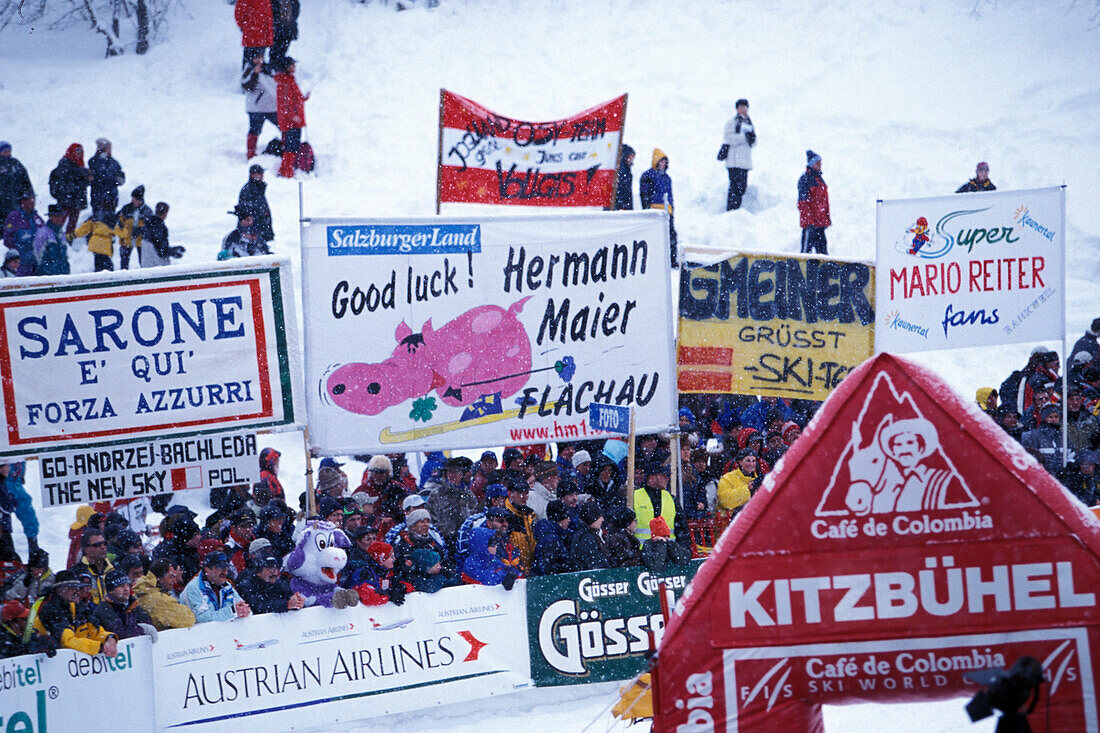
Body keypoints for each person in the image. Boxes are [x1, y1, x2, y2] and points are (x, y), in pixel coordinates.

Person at [33, 569, 118, 656]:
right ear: (60, 590)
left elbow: (96, 632)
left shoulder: (80, 608)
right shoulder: (51, 610)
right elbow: (67, 642)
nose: (77, 591)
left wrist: (109, 638)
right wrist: (100, 647)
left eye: (78, 588)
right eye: (73, 588)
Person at [182, 552, 251, 623]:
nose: (225, 572)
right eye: (220, 568)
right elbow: (201, 617)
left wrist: (244, 611)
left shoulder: (227, 586)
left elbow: (242, 607)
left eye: (226, 568)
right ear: (207, 570)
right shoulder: (193, 588)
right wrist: (232, 611)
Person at [460, 508, 521, 588]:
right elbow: (490, 581)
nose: (495, 546)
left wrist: (513, 574)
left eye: (507, 521)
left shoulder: (492, 560)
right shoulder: (471, 564)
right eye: (492, 544)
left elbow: (509, 570)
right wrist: (505, 578)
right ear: (483, 545)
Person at [639, 148, 677, 267]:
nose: (663, 164)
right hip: (655, 211)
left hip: (667, 211)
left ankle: (671, 259)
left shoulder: (667, 178)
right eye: (661, 161)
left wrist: (672, 210)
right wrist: (647, 209)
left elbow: (670, 196)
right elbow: (644, 193)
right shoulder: (648, 175)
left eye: (664, 162)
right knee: (655, 236)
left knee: (671, 236)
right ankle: (654, 260)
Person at [132, 558, 195, 630]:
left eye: (175, 577)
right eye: (171, 577)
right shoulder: (158, 599)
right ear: (159, 577)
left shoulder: (143, 591)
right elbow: (188, 620)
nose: (174, 581)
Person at [91, 569, 154, 640]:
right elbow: (118, 633)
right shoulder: (104, 609)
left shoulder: (131, 602)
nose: (126, 589)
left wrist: (140, 627)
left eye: (127, 585)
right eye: (121, 586)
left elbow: (146, 619)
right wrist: (142, 629)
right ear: (111, 590)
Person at [236, 550, 304, 614]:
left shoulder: (279, 583)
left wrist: (297, 601)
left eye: (276, 569)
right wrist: (286, 605)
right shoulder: (245, 587)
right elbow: (257, 608)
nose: (274, 573)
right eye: (270, 570)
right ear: (258, 572)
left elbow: (289, 597)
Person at [274, 56, 309, 178]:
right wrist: (293, 116)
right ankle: (286, 170)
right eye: (292, 65)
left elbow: (293, 98)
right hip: (291, 121)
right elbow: (285, 102)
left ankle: (287, 168)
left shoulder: (289, 80)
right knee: (292, 146)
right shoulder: (285, 81)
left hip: (292, 119)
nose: (294, 67)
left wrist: (304, 98)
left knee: (291, 145)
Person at [48, 143, 90, 236]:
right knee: (59, 223)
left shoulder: (80, 165)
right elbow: (68, 181)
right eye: (77, 151)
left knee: (72, 225)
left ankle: (67, 241)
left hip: (75, 201)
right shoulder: (65, 165)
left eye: (81, 151)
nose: (79, 154)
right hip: (66, 201)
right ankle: (54, 239)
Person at [721, 98, 755, 211]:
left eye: (746, 107)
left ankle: (736, 209)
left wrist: (752, 139)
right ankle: (731, 209)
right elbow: (728, 138)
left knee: (742, 188)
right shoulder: (732, 122)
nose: (744, 109)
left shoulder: (749, 122)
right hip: (734, 161)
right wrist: (744, 137)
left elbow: (753, 143)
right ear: (737, 109)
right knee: (734, 188)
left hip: (745, 162)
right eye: (741, 107)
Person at [798, 150, 830, 255]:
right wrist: (809, 223)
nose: (820, 165)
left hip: (819, 225)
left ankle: (824, 271)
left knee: (824, 255)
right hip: (811, 225)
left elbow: (824, 203)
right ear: (811, 164)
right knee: (805, 254)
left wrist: (825, 220)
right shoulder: (805, 180)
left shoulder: (820, 180)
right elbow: (803, 203)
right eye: (817, 163)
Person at [3, 191, 43, 275]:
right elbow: (7, 239)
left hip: (37, 264)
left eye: (34, 199)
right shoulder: (14, 217)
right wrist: (21, 250)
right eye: (31, 199)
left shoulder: (36, 218)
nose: (33, 202)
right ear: (23, 201)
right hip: (21, 265)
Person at [532, 499, 576, 575]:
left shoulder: (554, 535)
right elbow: (547, 569)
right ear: (559, 518)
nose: (569, 520)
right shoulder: (551, 540)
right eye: (566, 517)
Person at [116, 186, 154, 270]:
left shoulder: (147, 211)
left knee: (143, 262)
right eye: (133, 198)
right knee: (124, 263)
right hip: (126, 239)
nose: (134, 201)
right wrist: (123, 232)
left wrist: (140, 230)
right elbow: (119, 222)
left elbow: (150, 227)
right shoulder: (126, 209)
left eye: (136, 199)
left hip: (141, 241)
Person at [87, 138, 125, 220]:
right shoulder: (93, 161)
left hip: (111, 197)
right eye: (108, 148)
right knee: (98, 219)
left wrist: (119, 179)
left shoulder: (114, 163)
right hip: (98, 196)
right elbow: (89, 178)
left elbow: (120, 178)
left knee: (109, 220)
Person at [139, 202, 183, 267]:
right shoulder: (159, 227)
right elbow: (161, 250)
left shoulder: (148, 223)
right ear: (165, 213)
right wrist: (172, 251)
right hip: (156, 266)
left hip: (146, 263)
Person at [239, 164, 275, 243]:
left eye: (262, 173)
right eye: (259, 173)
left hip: (262, 229)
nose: (262, 175)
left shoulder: (257, 189)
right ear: (252, 175)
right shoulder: (249, 190)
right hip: (255, 231)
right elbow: (247, 212)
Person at [569, 502, 610, 571]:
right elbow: (595, 565)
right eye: (599, 516)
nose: (602, 519)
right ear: (593, 518)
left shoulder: (585, 535)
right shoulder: (587, 539)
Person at [32, 204, 71, 275]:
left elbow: (65, 256)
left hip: (62, 275)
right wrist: (45, 271)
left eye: (60, 216)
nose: (59, 218)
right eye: (56, 216)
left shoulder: (62, 234)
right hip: (47, 276)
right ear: (50, 217)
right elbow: (37, 256)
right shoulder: (43, 233)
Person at [0, 142, 33, 225]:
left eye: (9, 150)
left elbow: (25, 180)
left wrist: (29, 194)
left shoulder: (15, 163)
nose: (8, 153)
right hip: (2, 202)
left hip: (16, 200)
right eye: (5, 151)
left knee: (15, 224)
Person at [235, 0, 273, 70]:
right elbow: (239, 13)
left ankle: (254, 77)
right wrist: (245, 27)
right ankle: (247, 77)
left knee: (258, 63)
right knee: (250, 63)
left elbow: (268, 18)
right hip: (252, 36)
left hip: (262, 37)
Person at [270, 0, 300, 71]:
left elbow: (295, 13)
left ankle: (279, 71)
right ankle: (276, 71)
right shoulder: (275, 2)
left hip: (287, 31)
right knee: (275, 54)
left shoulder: (293, 2)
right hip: (278, 31)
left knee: (281, 53)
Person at [614, 144, 635, 210]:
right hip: (620, 206)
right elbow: (621, 189)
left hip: (623, 205)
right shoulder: (620, 170)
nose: (631, 159)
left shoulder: (626, 170)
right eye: (630, 157)